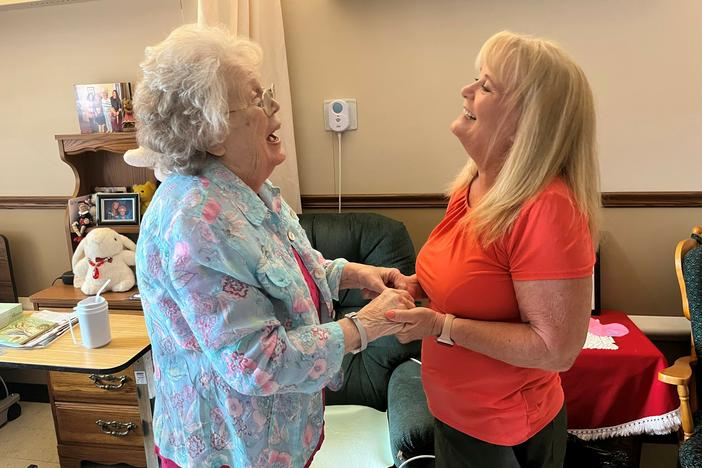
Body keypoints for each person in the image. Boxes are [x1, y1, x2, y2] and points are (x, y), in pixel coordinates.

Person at [133, 24, 413, 467]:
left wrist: (353, 275)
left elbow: (281, 269)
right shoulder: (193, 222)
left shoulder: (246, 189)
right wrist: (365, 326)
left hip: (277, 437)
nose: (275, 107)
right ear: (214, 131)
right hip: (227, 451)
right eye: (258, 98)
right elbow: (257, 363)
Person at [385, 31, 600, 468]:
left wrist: (440, 326)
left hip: (504, 434)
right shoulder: (472, 184)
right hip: (456, 416)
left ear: (528, 120)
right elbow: (470, 280)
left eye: (486, 86)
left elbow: (556, 349)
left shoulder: (547, 208)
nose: (466, 91)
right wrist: (414, 286)